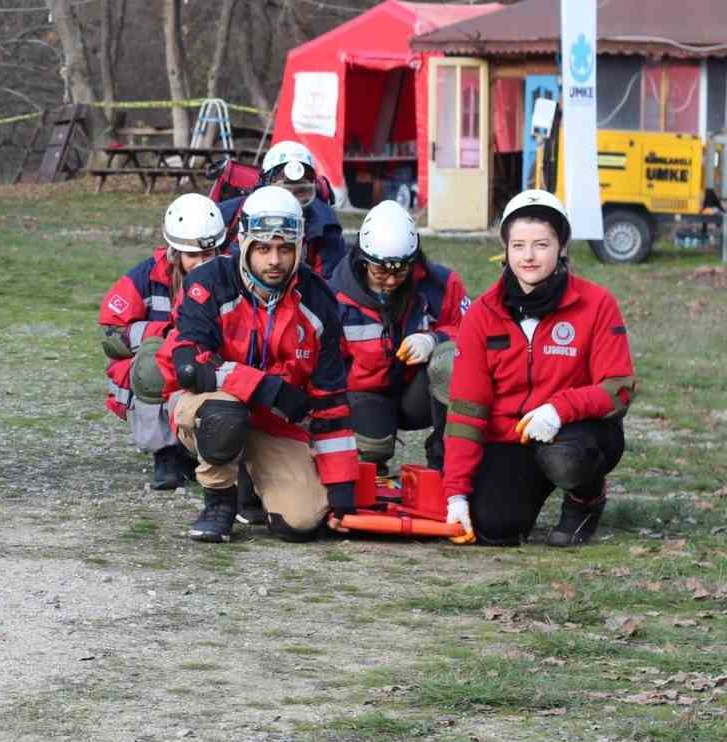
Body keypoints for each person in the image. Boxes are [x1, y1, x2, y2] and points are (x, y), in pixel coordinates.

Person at [141, 185, 355, 543]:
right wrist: (265, 388)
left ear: (300, 246)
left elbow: (331, 402)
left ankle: (256, 485)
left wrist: (343, 490)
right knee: (225, 416)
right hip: (209, 407)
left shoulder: (319, 302)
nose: (274, 260)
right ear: (244, 243)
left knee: (302, 522)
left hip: (274, 423)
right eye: (264, 248)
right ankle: (219, 500)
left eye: (285, 249)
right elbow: (192, 364)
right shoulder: (208, 282)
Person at [442, 190, 636, 547]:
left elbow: (619, 388)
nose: (528, 256)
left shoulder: (597, 304)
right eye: (518, 245)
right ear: (506, 250)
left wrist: (560, 409)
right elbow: (467, 409)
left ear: (561, 246)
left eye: (541, 244)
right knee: (493, 529)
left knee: (565, 457)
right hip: (512, 439)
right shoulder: (482, 315)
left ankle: (586, 500)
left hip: (576, 434)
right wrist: (456, 494)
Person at [329, 200, 468, 479]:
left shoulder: (442, 285)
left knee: (454, 360)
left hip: (421, 392)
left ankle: (446, 464)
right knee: (371, 449)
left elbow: (473, 334)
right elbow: (328, 368)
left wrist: (434, 339)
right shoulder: (335, 295)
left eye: (401, 271)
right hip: (365, 395)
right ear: (363, 259)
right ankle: (371, 460)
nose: (391, 281)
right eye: (380, 272)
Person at [100, 193, 227, 490]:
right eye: (192, 255)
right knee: (151, 362)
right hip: (167, 363)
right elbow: (110, 333)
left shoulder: (233, 275)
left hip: (215, 359)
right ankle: (166, 453)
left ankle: (216, 447)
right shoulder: (145, 276)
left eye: (208, 255)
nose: (200, 263)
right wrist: (164, 332)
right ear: (175, 252)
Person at [216, 141, 345, 276]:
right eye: (284, 191)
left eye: (300, 192)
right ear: (263, 185)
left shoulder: (326, 227)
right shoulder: (232, 212)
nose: (291, 203)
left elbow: (328, 283)